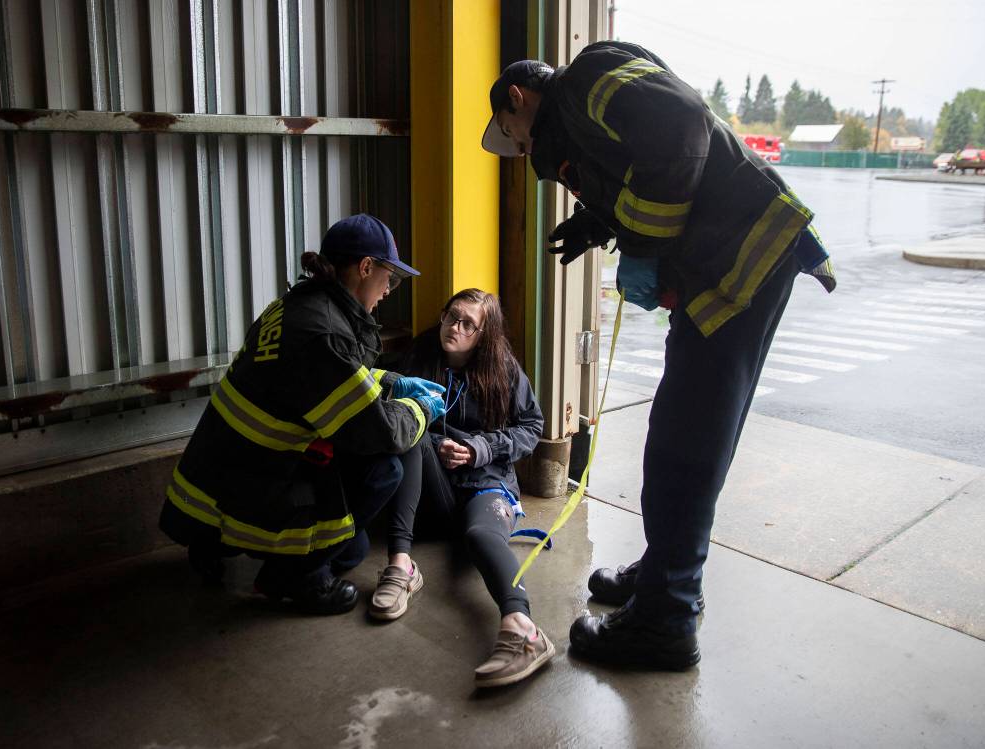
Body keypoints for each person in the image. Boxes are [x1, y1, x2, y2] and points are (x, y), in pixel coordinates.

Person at [482, 42, 836, 668]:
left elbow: (681, 132)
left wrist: (642, 243)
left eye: (512, 134)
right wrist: (600, 223)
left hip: (738, 264)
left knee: (684, 444)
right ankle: (664, 571)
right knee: (687, 435)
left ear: (517, 99)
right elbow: (642, 167)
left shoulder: (589, 78)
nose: (520, 147)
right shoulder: (582, 114)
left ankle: (667, 617)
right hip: (722, 270)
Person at [159, 214, 446, 615]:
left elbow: (333, 380)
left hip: (219, 468)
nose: (387, 291)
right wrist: (420, 407)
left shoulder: (298, 306)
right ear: (365, 268)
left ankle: (214, 543)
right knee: (383, 476)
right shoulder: (324, 333)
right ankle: (293, 577)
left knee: (356, 544)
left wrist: (391, 382)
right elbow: (377, 432)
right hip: (264, 475)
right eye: (389, 278)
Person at [367, 288, 552, 688]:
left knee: (481, 536)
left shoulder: (503, 367)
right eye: (452, 316)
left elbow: (531, 428)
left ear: (484, 334)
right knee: (411, 429)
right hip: (432, 489)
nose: (455, 327)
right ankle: (401, 566)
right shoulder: (421, 353)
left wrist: (478, 448)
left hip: (486, 483)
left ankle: (523, 630)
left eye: (469, 323)